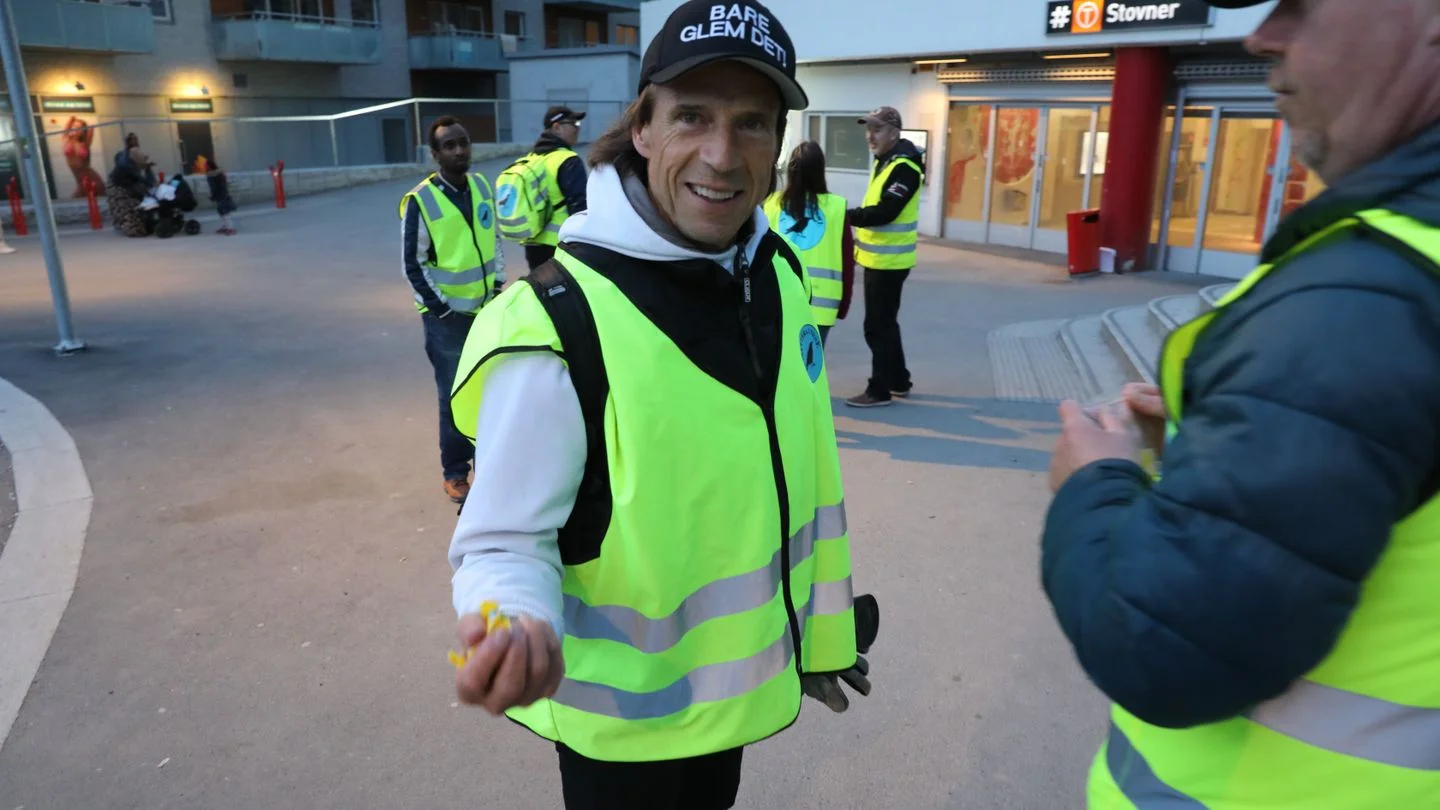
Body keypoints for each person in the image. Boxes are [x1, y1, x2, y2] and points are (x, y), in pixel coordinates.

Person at [444, 2, 878, 808]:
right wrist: (513, 621)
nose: (722, 155)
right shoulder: (556, 321)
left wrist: (819, 638)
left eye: (751, 124)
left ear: (778, 143)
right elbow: (502, 541)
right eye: (692, 117)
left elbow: (807, 480)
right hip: (622, 738)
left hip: (733, 710)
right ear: (642, 127)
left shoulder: (775, 278)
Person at [1042, 0, 1440, 807]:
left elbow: (1163, 646)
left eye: (1301, 6)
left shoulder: (1362, 301)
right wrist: (1225, 434)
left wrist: (1095, 481)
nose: (1263, 36)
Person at [399, 116, 503, 504]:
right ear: (435, 154)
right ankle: (455, 473)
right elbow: (412, 263)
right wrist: (441, 310)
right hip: (447, 321)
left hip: (486, 310)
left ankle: (488, 466)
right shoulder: (421, 200)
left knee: (490, 390)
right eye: (449, 145)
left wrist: (497, 286)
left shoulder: (481, 187)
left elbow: (494, 240)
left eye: (464, 142)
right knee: (454, 397)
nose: (460, 150)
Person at [844, 106, 924, 408]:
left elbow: (887, 211)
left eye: (877, 129)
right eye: (868, 129)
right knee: (886, 323)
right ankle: (899, 380)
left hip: (889, 263)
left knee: (877, 327)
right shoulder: (887, 162)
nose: (870, 136)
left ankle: (879, 390)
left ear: (894, 133)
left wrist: (844, 216)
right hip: (880, 260)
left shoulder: (905, 168)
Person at [763, 141, 854, 345]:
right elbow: (847, 263)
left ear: (790, 172)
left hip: (778, 301)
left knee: (780, 360)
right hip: (822, 306)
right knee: (811, 361)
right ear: (820, 171)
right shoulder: (836, 208)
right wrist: (843, 304)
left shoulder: (771, 205)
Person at [519, 106, 589, 270]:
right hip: (561, 245)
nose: (577, 129)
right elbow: (579, 207)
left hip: (533, 245)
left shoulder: (532, 159)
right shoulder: (568, 160)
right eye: (573, 124)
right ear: (557, 127)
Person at [204, 158, 237, 235]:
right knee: (224, 211)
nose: (205, 167)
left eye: (206, 166)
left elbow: (214, 187)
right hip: (224, 193)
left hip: (220, 195)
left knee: (224, 211)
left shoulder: (212, 175)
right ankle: (227, 226)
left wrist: (213, 196)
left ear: (209, 166)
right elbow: (224, 183)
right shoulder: (219, 173)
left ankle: (230, 228)